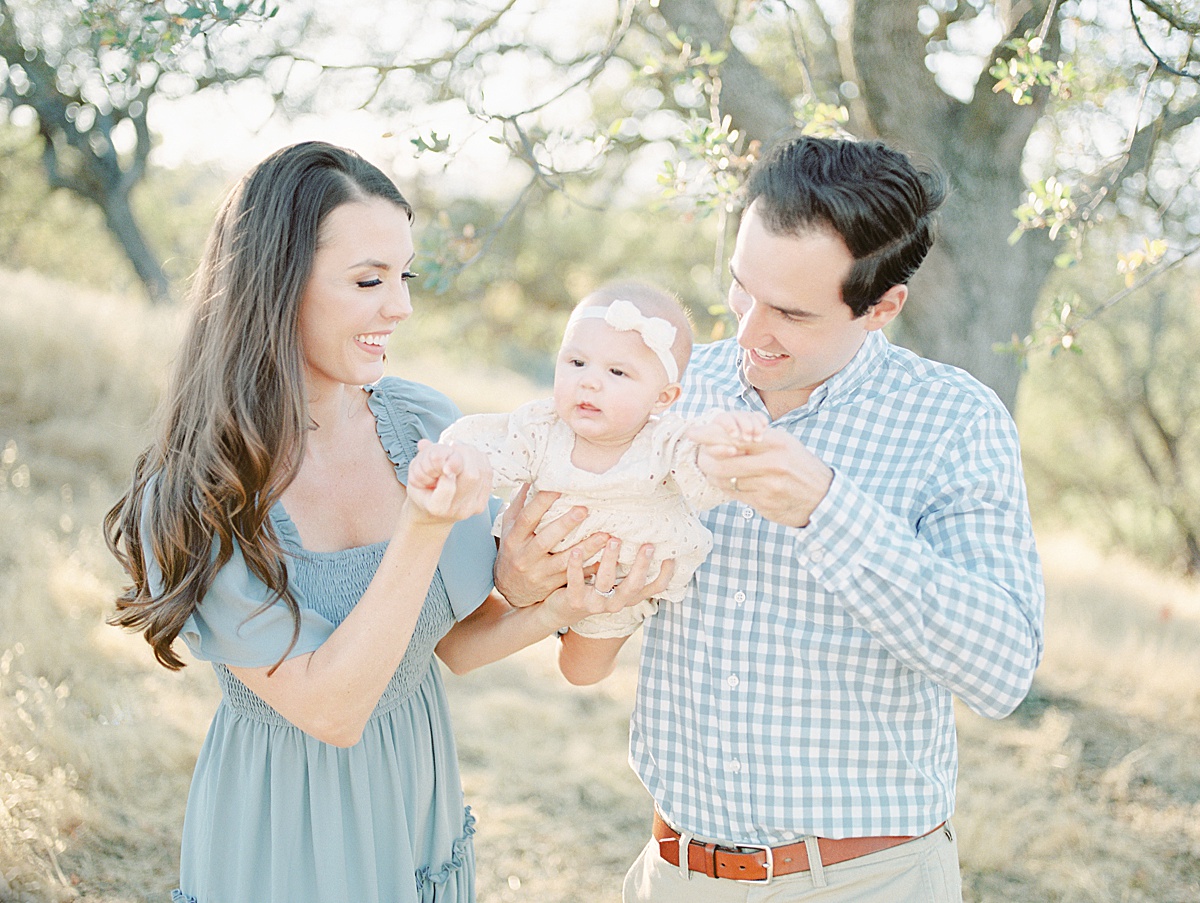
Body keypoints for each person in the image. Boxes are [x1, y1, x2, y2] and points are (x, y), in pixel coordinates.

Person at [102, 140, 667, 903]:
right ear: (276, 286)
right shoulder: (201, 492)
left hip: (415, 795)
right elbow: (333, 708)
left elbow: (451, 647)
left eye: (402, 276)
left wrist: (564, 607)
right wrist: (422, 528)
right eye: (368, 280)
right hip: (287, 825)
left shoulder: (425, 423)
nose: (398, 305)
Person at [496, 135, 1045, 902]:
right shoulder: (673, 389)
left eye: (789, 311)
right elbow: (584, 581)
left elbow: (1003, 668)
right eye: (740, 289)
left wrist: (827, 509)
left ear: (881, 307)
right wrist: (527, 579)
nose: (749, 332)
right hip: (676, 872)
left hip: (866, 882)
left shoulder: (954, 420)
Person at [438, 282, 749, 639]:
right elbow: (492, 449)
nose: (589, 382)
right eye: (577, 362)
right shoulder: (543, 429)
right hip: (548, 570)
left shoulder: (662, 440)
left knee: (584, 668)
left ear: (663, 397)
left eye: (616, 372)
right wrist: (456, 461)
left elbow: (698, 465)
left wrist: (722, 450)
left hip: (628, 578)